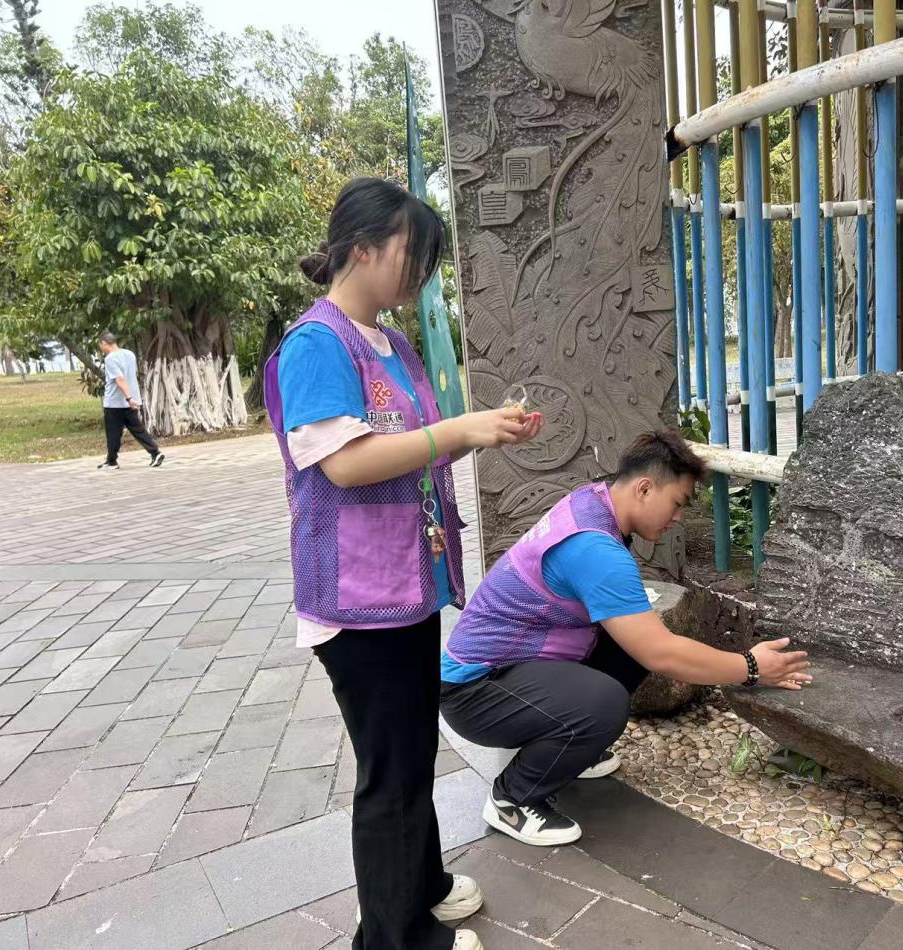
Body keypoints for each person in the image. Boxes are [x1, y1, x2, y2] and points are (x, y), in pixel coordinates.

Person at [265, 176, 543, 950]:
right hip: (358, 603)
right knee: (390, 773)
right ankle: (394, 937)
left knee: (413, 753)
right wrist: (458, 432)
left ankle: (422, 886)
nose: (420, 273)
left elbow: (414, 448)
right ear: (362, 249)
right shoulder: (317, 345)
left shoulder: (393, 344)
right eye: (410, 254)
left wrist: (482, 429)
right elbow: (346, 464)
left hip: (406, 589)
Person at [440, 430, 813, 848]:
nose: (678, 518)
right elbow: (663, 655)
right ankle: (513, 798)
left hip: (511, 669)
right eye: (677, 503)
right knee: (604, 702)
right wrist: (751, 667)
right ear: (645, 488)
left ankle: (569, 749)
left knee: (630, 644)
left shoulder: (592, 502)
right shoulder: (594, 549)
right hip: (475, 693)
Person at [97, 332, 164, 470]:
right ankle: (155, 452)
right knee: (138, 429)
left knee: (113, 433)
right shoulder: (129, 354)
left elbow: (120, 379)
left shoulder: (110, 359)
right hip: (131, 400)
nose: (100, 348)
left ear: (104, 343)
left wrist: (128, 398)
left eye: (100, 345)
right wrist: (132, 398)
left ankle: (112, 462)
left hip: (115, 402)